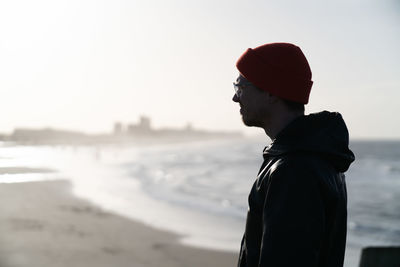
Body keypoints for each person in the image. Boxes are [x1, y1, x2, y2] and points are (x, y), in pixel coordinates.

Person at [232, 43, 355, 267]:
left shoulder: (294, 170)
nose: (235, 97)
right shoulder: (313, 155)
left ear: (270, 90)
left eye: (240, 86)